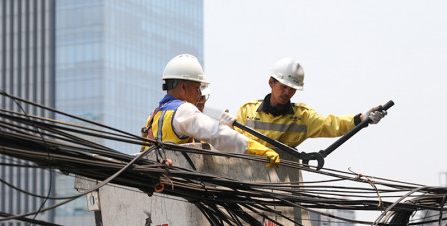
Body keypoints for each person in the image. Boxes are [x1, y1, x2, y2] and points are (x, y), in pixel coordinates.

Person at [140, 54, 279, 167]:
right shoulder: (183, 110)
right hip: (178, 185)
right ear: (183, 86)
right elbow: (216, 133)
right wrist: (256, 149)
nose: (199, 94)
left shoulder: (154, 115)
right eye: (197, 88)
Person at [219, 57, 387, 149]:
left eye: (292, 89)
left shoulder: (302, 117)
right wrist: (224, 129)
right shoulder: (247, 112)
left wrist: (363, 118)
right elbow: (229, 144)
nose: (287, 93)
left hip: (284, 185)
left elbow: (333, 124)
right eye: (283, 87)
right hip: (247, 182)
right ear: (271, 82)